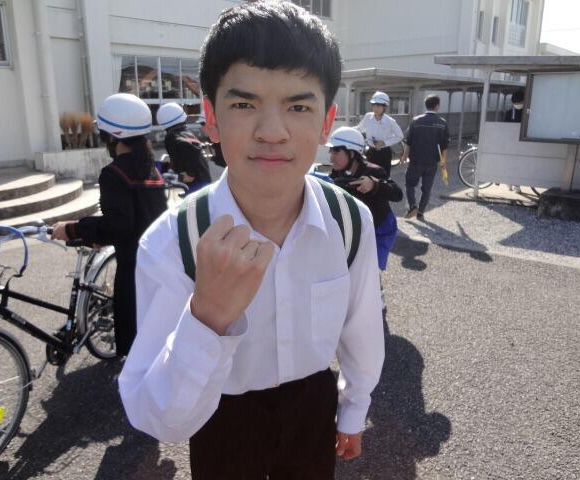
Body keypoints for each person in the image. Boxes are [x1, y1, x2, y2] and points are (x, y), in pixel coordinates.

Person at [118, 2, 385, 479]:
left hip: (313, 409)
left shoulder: (349, 221)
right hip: (221, 415)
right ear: (211, 117)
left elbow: (361, 329)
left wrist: (354, 409)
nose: (273, 132)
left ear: (327, 122)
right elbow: (158, 418)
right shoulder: (173, 239)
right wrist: (208, 316)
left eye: (299, 106)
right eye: (244, 104)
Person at [51, 93, 167, 357]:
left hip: (133, 268)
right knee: (155, 330)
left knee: (133, 333)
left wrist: (72, 229)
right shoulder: (152, 169)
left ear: (112, 137)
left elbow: (119, 226)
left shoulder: (114, 174)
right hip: (158, 263)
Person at [327, 126, 402, 306]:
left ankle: (377, 296)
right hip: (356, 227)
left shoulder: (373, 171)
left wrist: (375, 185)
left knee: (371, 266)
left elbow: (397, 194)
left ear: (352, 153)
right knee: (352, 264)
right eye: (331, 151)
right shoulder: (337, 172)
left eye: (336, 151)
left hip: (380, 228)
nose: (331, 156)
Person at [400, 94, 449, 221]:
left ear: (425, 105)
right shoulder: (442, 123)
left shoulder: (416, 121)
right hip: (432, 163)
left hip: (416, 161)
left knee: (410, 184)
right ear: (437, 106)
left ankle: (412, 206)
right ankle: (420, 212)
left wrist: (404, 156)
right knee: (426, 189)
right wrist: (443, 161)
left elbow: (408, 141)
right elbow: (444, 145)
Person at [157, 102, 212, 194]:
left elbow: (189, 176)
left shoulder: (173, 137)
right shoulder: (186, 132)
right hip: (204, 182)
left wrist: (175, 177)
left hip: (196, 187)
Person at [357, 90, 404, 179]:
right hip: (371, 152)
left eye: (378, 106)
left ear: (385, 107)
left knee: (383, 178)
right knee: (369, 176)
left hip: (384, 154)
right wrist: (348, 130)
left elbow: (400, 136)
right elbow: (359, 128)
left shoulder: (390, 121)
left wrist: (384, 142)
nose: (375, 108)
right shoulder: (368, 117)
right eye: (374, 105)